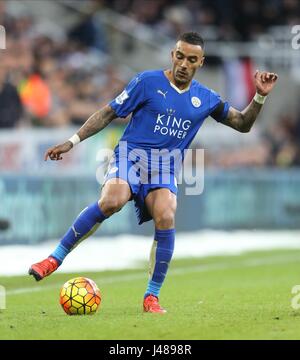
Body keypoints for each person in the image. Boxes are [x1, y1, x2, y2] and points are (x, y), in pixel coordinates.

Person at [29, 32, 278, 313]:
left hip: (164, 168)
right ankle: (54, 259)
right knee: (113, 199)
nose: (184, 64)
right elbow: (108, 113)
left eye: (191, 60)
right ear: (173, 55)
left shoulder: (205, 98)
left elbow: (242, 123)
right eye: (180, 56)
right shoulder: (147, 82)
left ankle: (151, 297)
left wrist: (259, 96)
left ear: (201, 63)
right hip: (131, 157)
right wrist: (71, 141)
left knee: (167, 213)